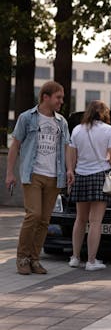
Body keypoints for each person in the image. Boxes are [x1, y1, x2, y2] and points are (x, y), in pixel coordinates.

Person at [5, 81, 71, 275]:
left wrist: (69, 170)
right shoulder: (27, 118)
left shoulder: (62, 122)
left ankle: (35, 259)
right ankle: (22, 258)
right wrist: (9, 173)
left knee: (44, 220)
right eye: (58, 97)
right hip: (33, 174)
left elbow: (67, 147)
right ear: (46, 97)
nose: (61, 101)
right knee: (33, 216)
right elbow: (15, 146)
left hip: (54, 176)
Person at [66, 100, 111, 271]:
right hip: (99, 177)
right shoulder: (109, 130)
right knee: (95, 221)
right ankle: (91, 261)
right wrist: (109, 157)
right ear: (104, 113)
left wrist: (71, 171)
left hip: (80, 176)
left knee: (80, 219)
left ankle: (74, 258)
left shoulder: (77, 130)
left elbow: (71, 155)